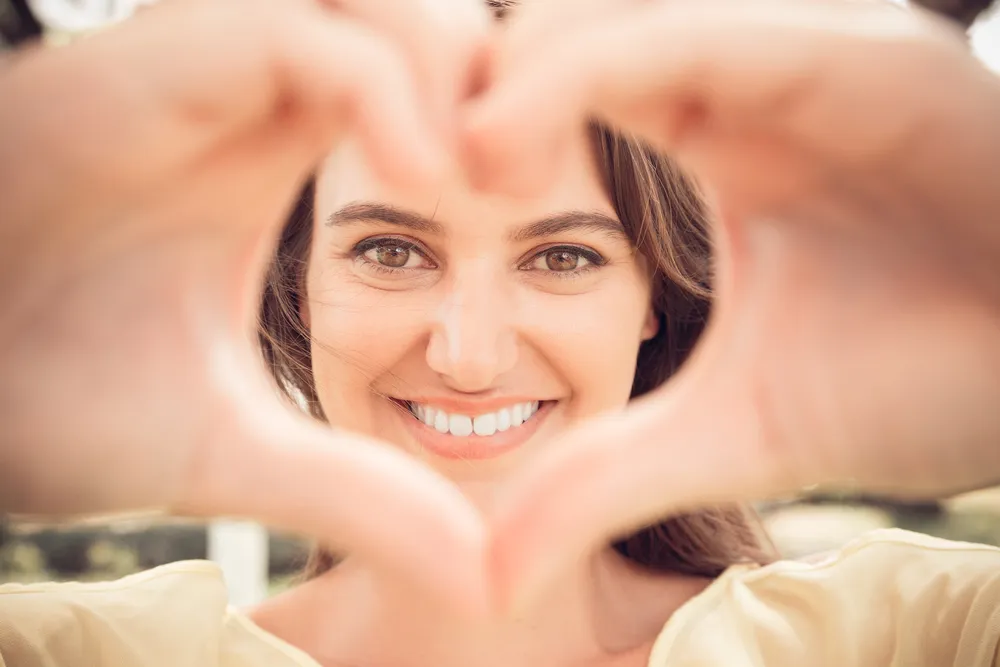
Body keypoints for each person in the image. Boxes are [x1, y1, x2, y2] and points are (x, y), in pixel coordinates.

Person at [0, 0, 999, 665]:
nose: (467, 357)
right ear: (296, 287)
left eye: (562, 257)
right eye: (390, 251)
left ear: (652, 298)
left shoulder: (912, 632)